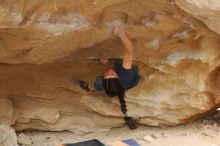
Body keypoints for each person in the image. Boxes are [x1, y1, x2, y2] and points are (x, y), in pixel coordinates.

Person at [79, 26, 141, 129]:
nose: (108, 73)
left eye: (106, 76)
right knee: (118, 61)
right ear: (117, 76)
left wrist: (106, 64)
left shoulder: (108, 80)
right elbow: (129, 51)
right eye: (111, 74)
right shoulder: (126, 72)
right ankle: (93, 88)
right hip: (132, 79)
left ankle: (91, 88)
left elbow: (108, 74)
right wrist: (122, 35)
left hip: (118, 84)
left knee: (99, 81)